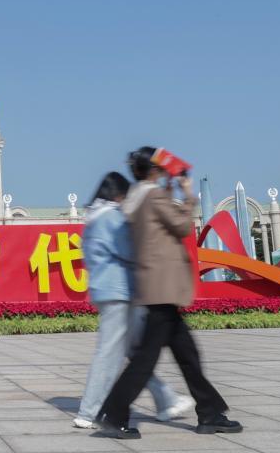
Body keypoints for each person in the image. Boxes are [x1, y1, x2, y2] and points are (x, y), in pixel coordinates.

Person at [96, 147, 242, 439]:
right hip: (163, 288)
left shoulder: (138, 197)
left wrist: (170, 189)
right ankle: (114, 414)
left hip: (154, 286)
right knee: (147, 358)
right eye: (161, 167)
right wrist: (187, 195)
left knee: (188, 354)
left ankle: (210, 412)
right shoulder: (153, 196)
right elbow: (182, 226)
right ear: (155, 170)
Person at [73, 172, 193, 429]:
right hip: (120, 291)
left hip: (105, 290)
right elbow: (129, 251)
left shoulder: (93, 217)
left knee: (136, 353)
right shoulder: (111, 217)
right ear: (118, 194)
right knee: (110, 354)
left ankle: (166, 400)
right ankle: (89, 411)